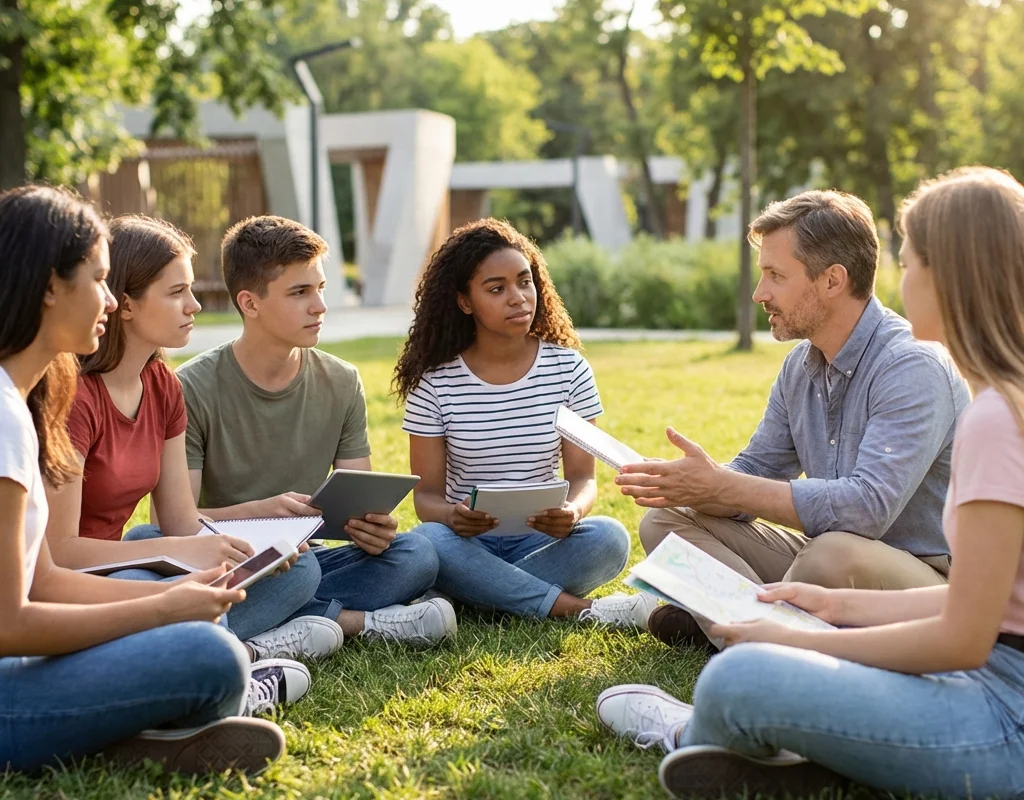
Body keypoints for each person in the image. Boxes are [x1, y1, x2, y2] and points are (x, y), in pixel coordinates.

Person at [597, 167, 1024, 799]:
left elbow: (962, 626)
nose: (902, 283)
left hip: (998, 710)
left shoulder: (967, 399)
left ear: (955, 275)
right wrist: (828, 607)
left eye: (911, 265)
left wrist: (799, 640)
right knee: (694, 543)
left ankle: (696, 727)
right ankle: (771, 669)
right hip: (986, 675)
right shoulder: (1000, 400)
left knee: (736, 678)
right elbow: (989, 610)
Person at [0, 184, 284, 774]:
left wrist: (175, 597)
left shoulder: (24, 403)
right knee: (212, 657)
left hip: (24, 657)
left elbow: (45, 580)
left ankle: (130, 735)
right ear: (51, 287)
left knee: (204, 632)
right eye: (99, 280)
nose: (108, 300)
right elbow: (11, 621)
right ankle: (144, 727)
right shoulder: (8, 415)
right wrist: (161, 612)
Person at [617, 189, 970, 649]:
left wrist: (726, 487)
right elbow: (757, 472)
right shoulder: (800, 366)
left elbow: (867, 511)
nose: (759, 293)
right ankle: (753, 633)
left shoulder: (912, 365)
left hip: (925, 581)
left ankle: (739, 630)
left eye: (775, 276)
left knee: (831, 553)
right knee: (665, 522)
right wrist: (696, 484)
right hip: (825, 561)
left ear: (832, 280)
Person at [42, 214, 340, 697]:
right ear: (127, 303)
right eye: (177, 292)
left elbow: (181, 519)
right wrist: (176, 550)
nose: (195, 305)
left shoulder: (162, 386)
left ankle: (222, 651)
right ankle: (236, 664)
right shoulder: (77, 397)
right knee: (153, 563)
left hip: (124, 566)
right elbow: (59, 551)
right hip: (74, 581)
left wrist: (255, 535)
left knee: (295, 567)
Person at [176, 215, 455, 646]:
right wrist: (262, 512)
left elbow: (356, 500)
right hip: (233, 562)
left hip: (311, 557)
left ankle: (279, 625)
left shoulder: (342, 380)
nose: (320, 306)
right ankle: (361, 624)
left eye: (320, 288)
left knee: (416, 555)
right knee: (295, 569)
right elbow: (175, 522)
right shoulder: (191, 386)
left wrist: (373, 528)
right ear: (250, 303)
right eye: (300, 292)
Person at [394, 218, 648, 626]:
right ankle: (579, 610)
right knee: (426, 542)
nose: (518, 298)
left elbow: (584, 479)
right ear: (464, 302)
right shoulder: (436, 383)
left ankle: (477, 594)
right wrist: (450, 516)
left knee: (610, 537)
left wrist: (573, 511)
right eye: (496, 289)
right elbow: (426, 498)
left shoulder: (569, 370)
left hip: (543, 541)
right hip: (466, 543)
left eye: (524, 282)